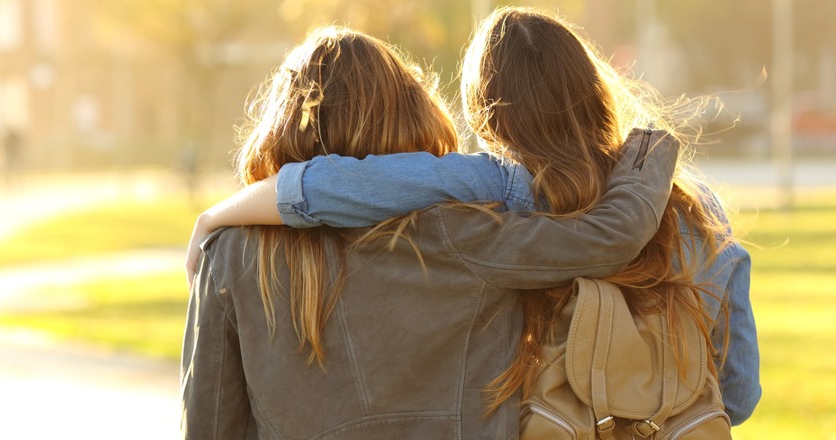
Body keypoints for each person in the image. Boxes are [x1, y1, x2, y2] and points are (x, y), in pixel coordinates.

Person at [186, 7, 761, 429]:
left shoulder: (485, 190)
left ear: (488, 117)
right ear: (597, 90)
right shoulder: (696, 212)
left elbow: (347, 182)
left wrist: (218, 215)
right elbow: (737, 392)